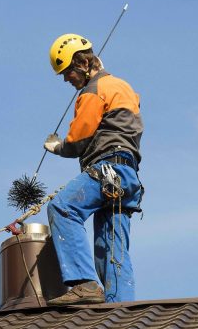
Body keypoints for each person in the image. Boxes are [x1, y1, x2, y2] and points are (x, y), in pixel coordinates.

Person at [44, 34, 144, 305]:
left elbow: (79, 138)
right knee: (112, 247)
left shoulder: (93, 91)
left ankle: (83, 283)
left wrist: (58, 146)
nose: (67, 80)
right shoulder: (122, 87)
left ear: (82, 64)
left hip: (107, 168)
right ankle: (120, 310)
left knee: (63, 207)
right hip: (127, 177)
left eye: (67, 72)